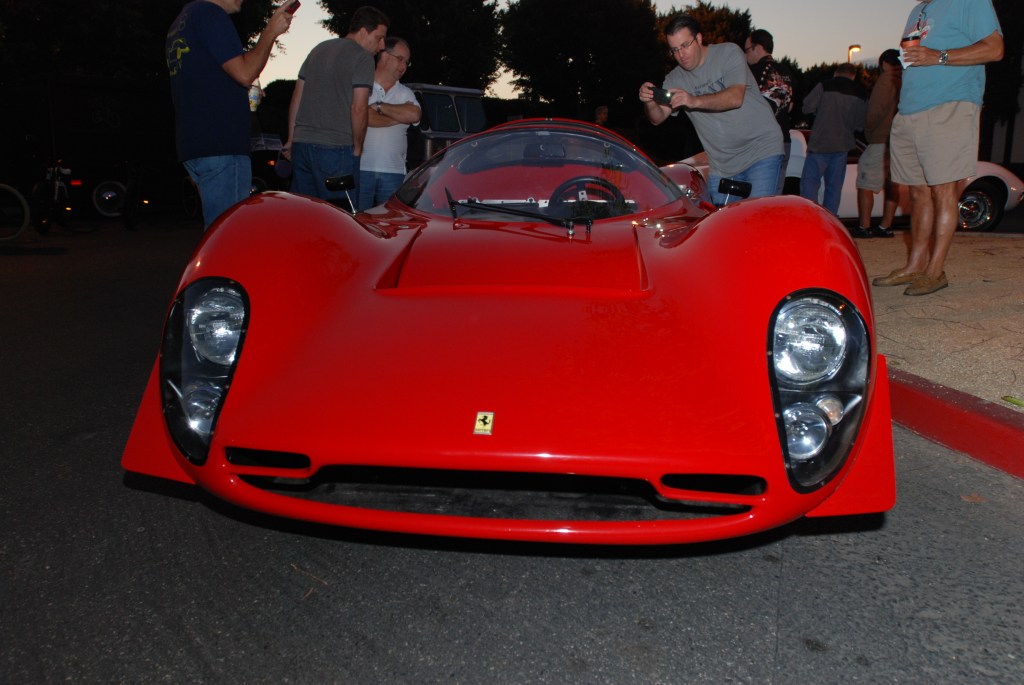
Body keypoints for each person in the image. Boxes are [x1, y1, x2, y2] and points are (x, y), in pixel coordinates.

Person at [873, 0, 1003, 296]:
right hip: (909, 112)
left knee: (943, 191)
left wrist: (939, 56)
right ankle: (915, 265)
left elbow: (995, 48)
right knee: (917, 192)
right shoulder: (918, 10)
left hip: (950, 105)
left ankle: (935, 271)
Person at [166, 0, 295, 229]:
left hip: (195, 143)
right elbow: (245, 73)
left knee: (216, 231)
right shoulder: (210, 13)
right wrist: (270, 32)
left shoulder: (183, 20)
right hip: (221, 144)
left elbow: (207, 77)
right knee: (228, 235)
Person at [639, 15, 783, 205]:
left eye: (685, 45)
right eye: (674, 50)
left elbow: (735, 97)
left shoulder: (728, 53)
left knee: (757, 221)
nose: (681, 54)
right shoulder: (675, 79)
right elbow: (657, 118)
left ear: (698, 38)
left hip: (761, 150)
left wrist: (693, 100)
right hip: (722, 165)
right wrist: (649, 101)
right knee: (724, 228)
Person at [284, 6, 390, 204]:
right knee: (339, 217)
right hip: (335, 150)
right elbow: (358, 107)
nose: (382, 45)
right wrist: (357, 147)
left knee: (304, 213)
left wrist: (292, 139)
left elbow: (297, 96)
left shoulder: (318, 49)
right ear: (363, 32)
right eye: (379, 37)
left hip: (302, 147)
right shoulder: (363, 57)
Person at [357, 37, 421, 211]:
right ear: (384, 56)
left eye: (407, 62)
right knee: (356, 222)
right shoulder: (362, 85)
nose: (403, 66)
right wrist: (398, 116)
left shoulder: (405, 93)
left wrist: (379, 106)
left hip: (394, 172)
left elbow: (414, 114)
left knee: (389, 226)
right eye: (400, 59)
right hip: (360, 167)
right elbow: (361, 115)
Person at [799, 63, 867, 218]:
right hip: (842, 146)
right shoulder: (860, 94)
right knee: (834, 188)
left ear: (836, 73)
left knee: (810, 185)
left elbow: (807, 106)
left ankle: (810, 219)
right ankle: (829, 221)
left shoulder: (825, 85)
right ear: (853, 75)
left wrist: (819, 113)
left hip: (819, 144)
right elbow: (860, 124)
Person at [855, 49, 904, 238]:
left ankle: (864, 226)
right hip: (898, 140)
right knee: (892, 184)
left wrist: (867, 130)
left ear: (884, 63)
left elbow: (875, 111)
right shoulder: (906, 80)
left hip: (880, 139)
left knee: (865, 183)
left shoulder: (886, 80)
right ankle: (885, 226)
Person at [744, 29, 794, 191]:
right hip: (784, 140)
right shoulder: (787, 72)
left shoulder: (751, 73)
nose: (745, 56)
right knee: (774, 196)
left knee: (755, 199)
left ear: (757, 48)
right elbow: (791, 106)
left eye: (746, 50)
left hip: (759, 144)